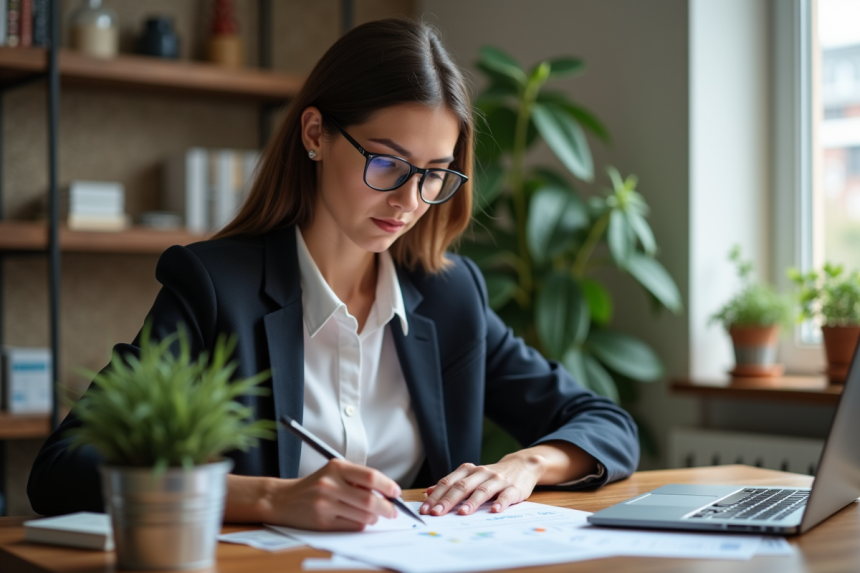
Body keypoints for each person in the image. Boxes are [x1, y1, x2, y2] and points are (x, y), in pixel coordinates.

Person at [28, 18, 639, 531]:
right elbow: (62, 470)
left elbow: (607, 424)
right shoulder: (216, 288)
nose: (409, 200)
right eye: (386, 162)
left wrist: (525, 466)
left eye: (434, 172)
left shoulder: (449, 294)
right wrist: (271, 497)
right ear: (315, 134)